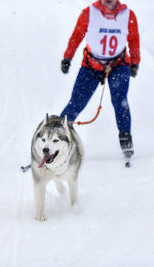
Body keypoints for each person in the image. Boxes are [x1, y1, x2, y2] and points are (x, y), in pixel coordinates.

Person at [60, 0, 140, 158]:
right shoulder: (89, 12)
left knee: (120, 102)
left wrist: (135, 62)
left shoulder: (128, 15)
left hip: (119, 64)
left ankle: (125, 139)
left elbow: (133, 39)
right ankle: (58, 136)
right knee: (76, 102)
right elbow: (77, 36)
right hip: (91, 66)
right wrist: (67, 57)